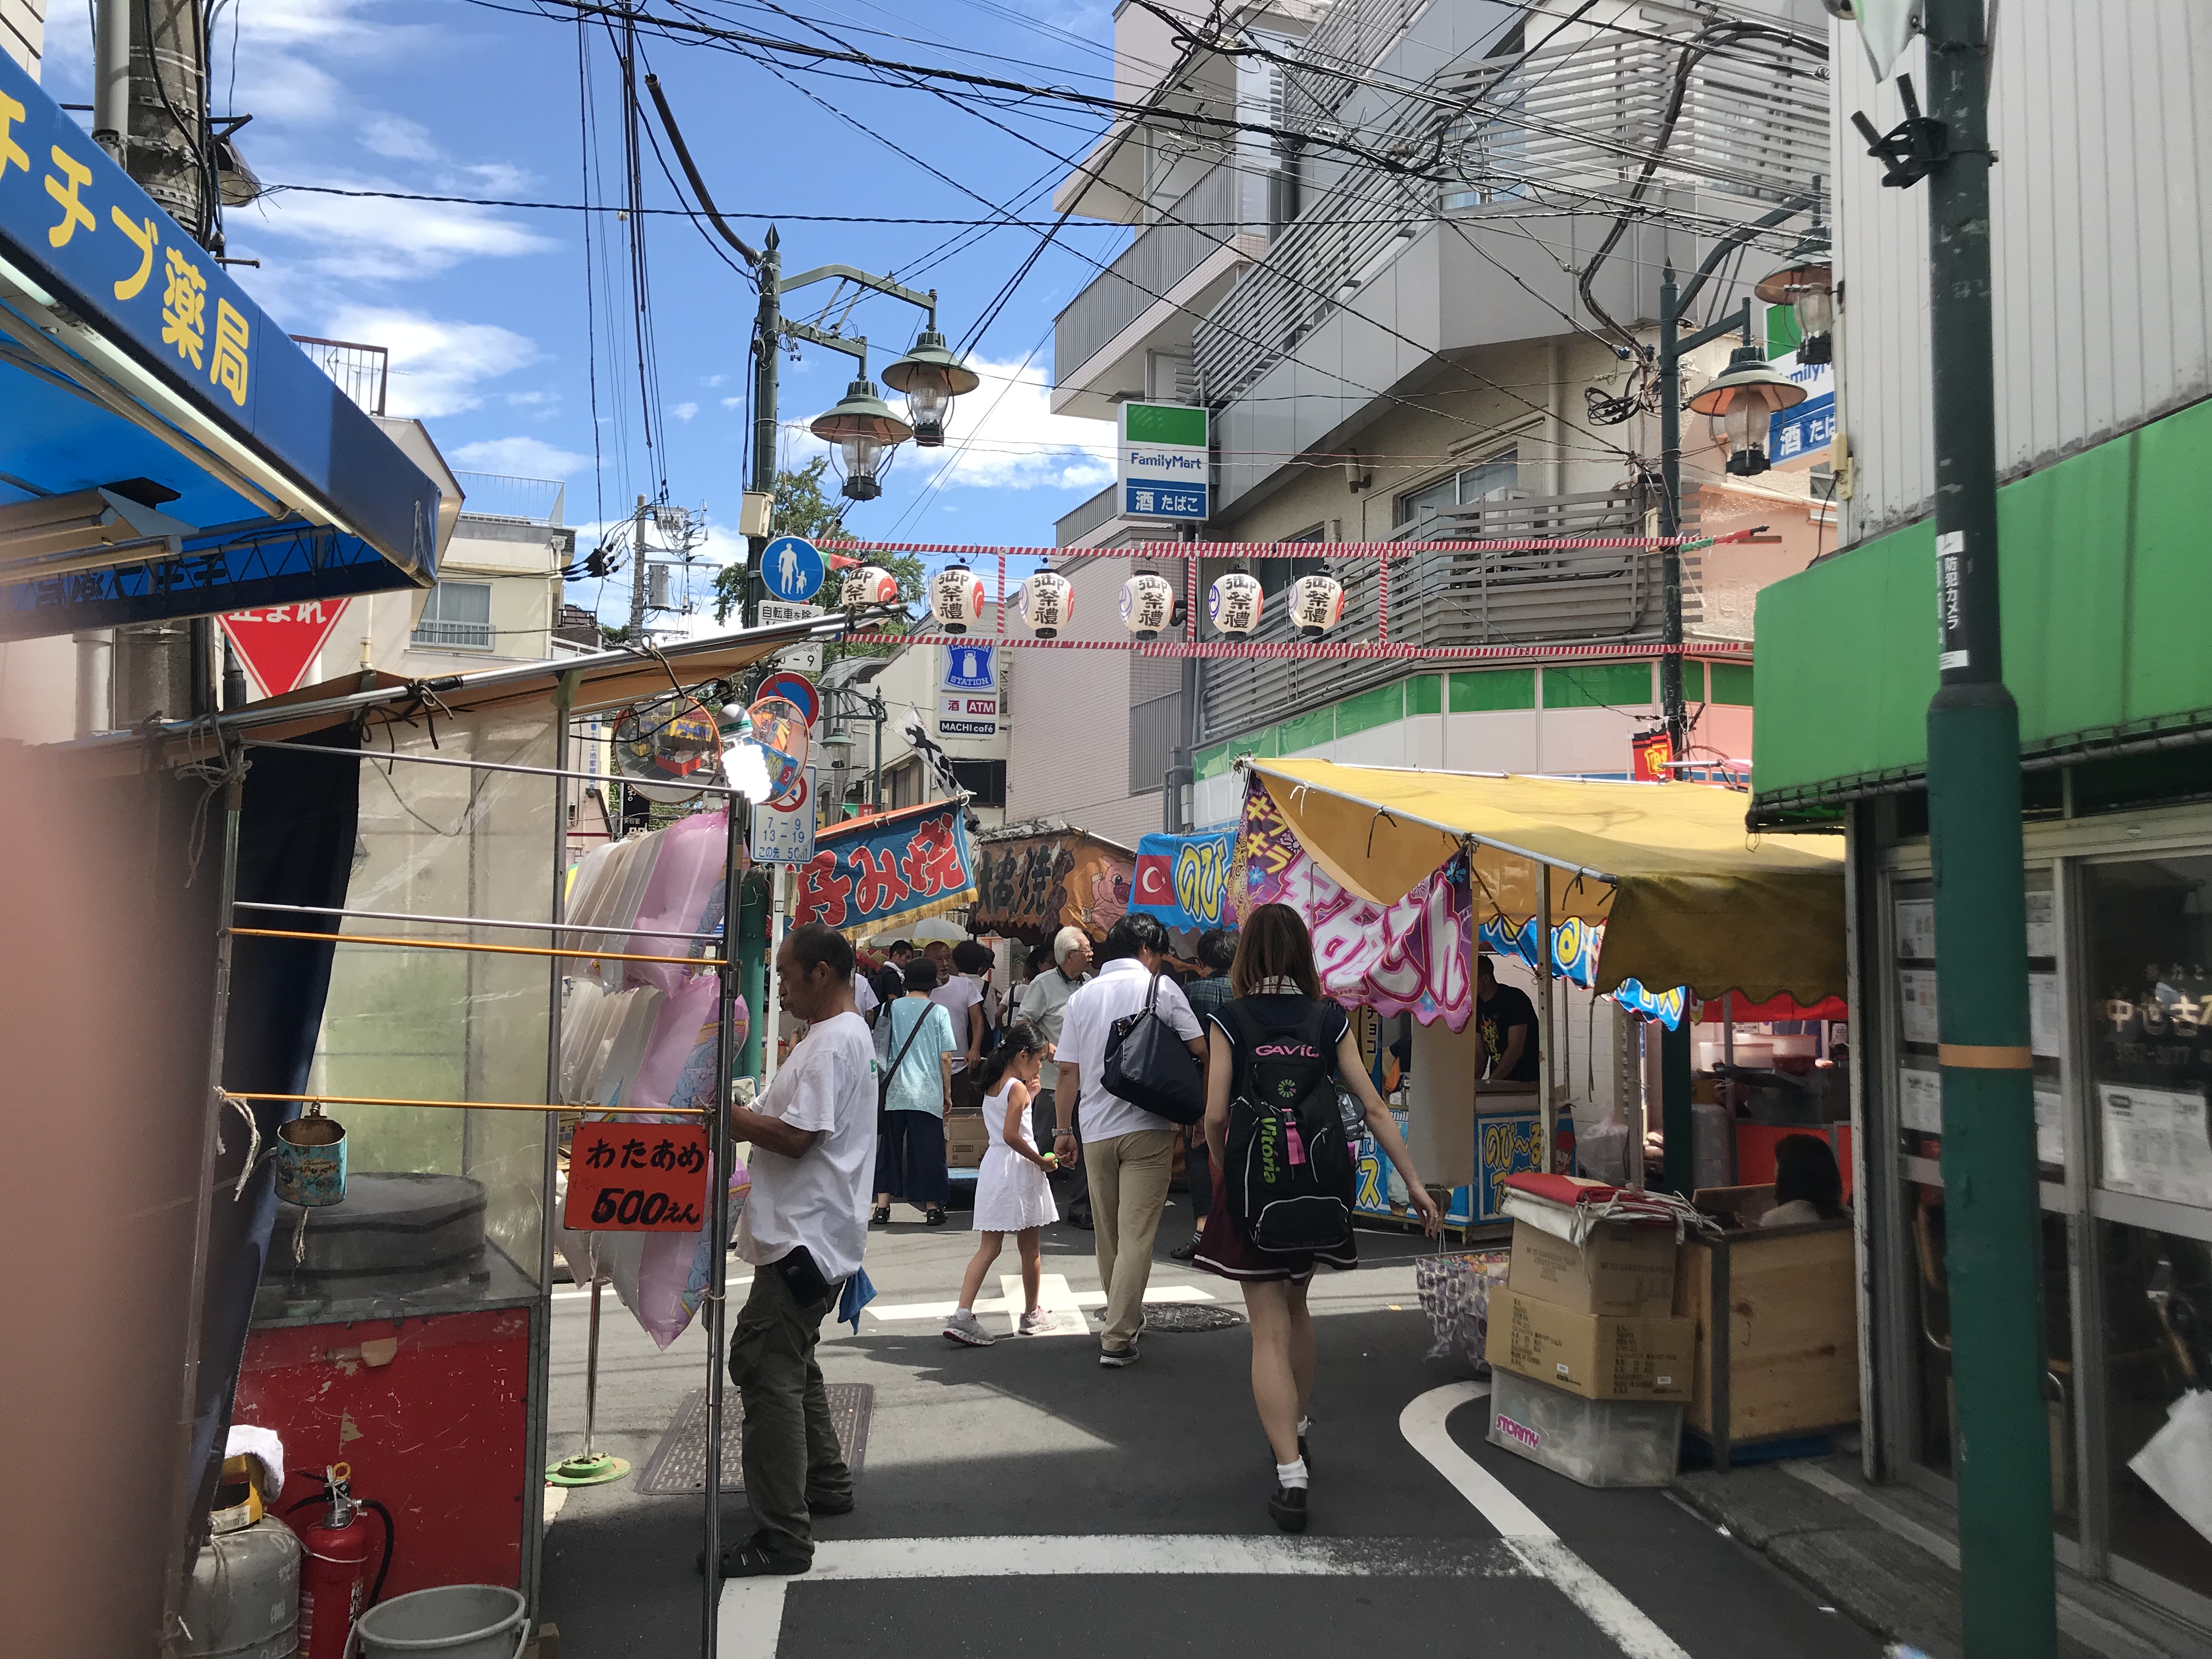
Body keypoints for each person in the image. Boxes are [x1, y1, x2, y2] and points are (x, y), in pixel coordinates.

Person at [1194, 904, 1441, 1533]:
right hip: (1317, 1193)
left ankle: (1289, 1471)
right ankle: (1298, 1429)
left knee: (1267, 1331)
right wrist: (1413, 1183)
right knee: (1298, 1311)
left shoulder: (1230, 1015)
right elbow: (1375, 1107)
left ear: (1248, 955)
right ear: (1304, 955)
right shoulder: (1329, 1017)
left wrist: (1227, 1174)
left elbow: (1216, 1114)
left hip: (1255, 1194)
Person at [717, 922, 876, 1579]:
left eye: (786, 974)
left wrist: (723, 1115)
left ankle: (782, 1535)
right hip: (821, 1234)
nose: (779, 987)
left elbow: (798, 1137)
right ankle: (827, 1482)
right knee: (792, 1360)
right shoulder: (845, 1036)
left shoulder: (832, 1042)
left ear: (822, 974)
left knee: (765, 1367)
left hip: (802, 1238)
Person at [1054, 912, 1206, 1367]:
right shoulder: (1160, 989)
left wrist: (1063, 1131)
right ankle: (1117, 1336)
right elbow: (1201, 1049)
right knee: (1138, 1235)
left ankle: (1122, 1316)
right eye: (1159, 953)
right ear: (1148, 951)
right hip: (1149, 1128)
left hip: (1096, 1128)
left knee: (1109, 1236)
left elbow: (1067, 1071)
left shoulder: (1083, 997)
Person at [943, 1020, 1061, 1346]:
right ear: (1022, 1055)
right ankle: (1031, 1314)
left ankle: (963, 1315)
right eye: (1038, 1059)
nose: (1039, 1066)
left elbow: (1007, 1126)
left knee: (989, 1248)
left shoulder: (996, 1083)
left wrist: (1031, 1097)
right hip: (1019, 1168)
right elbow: (1014, 1134)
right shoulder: (1017, 1088)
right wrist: (1043, 1162)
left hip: (995, 1167)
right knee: (1030, 1248)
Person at [871, 955, 960, 1227]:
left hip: (893, 1091)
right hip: (927, 1093)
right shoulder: (939, 1012)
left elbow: (879, 1047)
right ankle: (933, 1208)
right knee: (928, 1152)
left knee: (889, 1150)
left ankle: (883, 1208)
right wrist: (947, 1093)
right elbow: (946, 1057)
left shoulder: (890, 1008)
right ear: (932, 984)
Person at [1172, 927, 1237, 1262]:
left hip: (1197, 1087)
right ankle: (1237, 1227)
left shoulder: (1188, 994)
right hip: (1240, 1089)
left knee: (1198, 1154)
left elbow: (1179, 1045)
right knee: (1237, 1154)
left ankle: (1202, 1227)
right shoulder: (1245, 993)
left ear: (1202, 960)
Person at [1018, 927, 1093, 1201]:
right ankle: (1029, 1200)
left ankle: (1081, 1207)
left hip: (1086, 1081)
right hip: (1051, 1080)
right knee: (1043, 1142)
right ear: (1069, 955)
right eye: (1086, 949)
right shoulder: (1043, 983)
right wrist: (1046, 1047)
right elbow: (1023, 1022)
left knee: (1085, 1144)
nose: (1091, 954)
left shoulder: (1089, 983)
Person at [933, 939, 990, 1110]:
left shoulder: (965, 985)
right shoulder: (921, 989)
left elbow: (977, 1020)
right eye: (939, 959)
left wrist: (975, 1049)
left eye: (948, 958)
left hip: (960, 1065)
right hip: (931, 1068)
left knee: (960, 1113)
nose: (944, 964)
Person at [1475, 953, 1541, 1084]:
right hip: (1500, 1082)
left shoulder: (1514, 1000)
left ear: (1486, 979)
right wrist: (1470, 1088)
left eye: (1471, 978)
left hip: (1526, 1082)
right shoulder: (1478, 1004)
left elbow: (1516, 1050)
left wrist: (1491, 1083)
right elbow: (1480, 1055)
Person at [1763, 1134, 1847, 1227]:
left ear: (1787, 1172)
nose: (1774, 1170)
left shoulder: (1773, 1220)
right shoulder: (1850, 1215)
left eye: (1777, 1164)